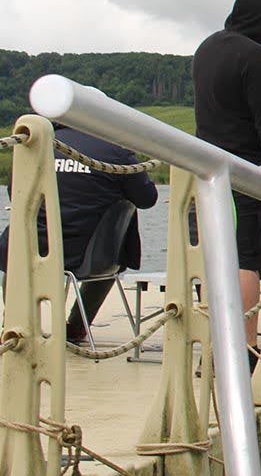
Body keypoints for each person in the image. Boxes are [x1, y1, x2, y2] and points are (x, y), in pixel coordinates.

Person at [193, 0, 261, 351]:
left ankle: (217, 336)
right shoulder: (255, 56)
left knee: (216, 252)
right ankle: (246, 344)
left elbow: (229, 98)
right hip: (247, 170)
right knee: (246, 257)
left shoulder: (207, 47)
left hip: (206, 165)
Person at [0, 126, 158, 343]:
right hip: (92, 256)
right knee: (113, 254)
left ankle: (15, 324)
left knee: (16, 258)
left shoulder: (35, 145)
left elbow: (15, 193)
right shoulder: (117, 153)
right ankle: (76, 326)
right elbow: (147, 199)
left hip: (31, 248)